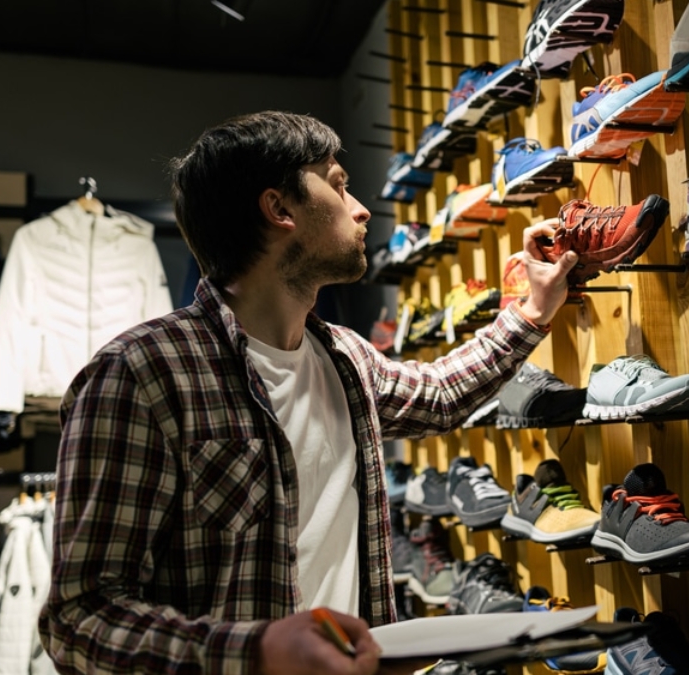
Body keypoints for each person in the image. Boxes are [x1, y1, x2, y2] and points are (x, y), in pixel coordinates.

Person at [38, 111, 579, 675]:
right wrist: (258, 653)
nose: (362, 208)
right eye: (339, 185)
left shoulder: (344, 357)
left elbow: (440, 394)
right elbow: (79, 617)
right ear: (279, 209)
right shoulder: (139, 376)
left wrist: (534, 309)